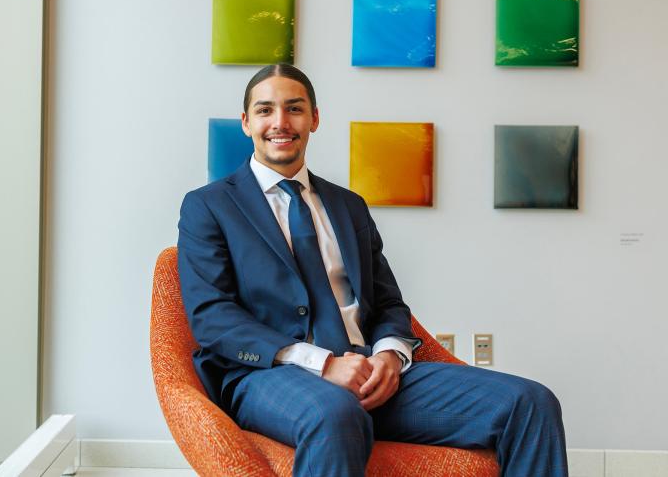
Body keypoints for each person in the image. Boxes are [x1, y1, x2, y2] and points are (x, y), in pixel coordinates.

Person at [176, 64, 567, 476]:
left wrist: (389, 358)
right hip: (270, 376)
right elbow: (212, 318)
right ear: (246, 122)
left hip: (368, 369)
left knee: (531, 402)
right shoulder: (210, 206)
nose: (280, 122)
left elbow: (387, 303)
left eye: (294, 109)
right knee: (335, 414)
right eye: (265, 110)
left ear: (314, 118)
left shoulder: (348, 206)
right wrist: (324, 365)